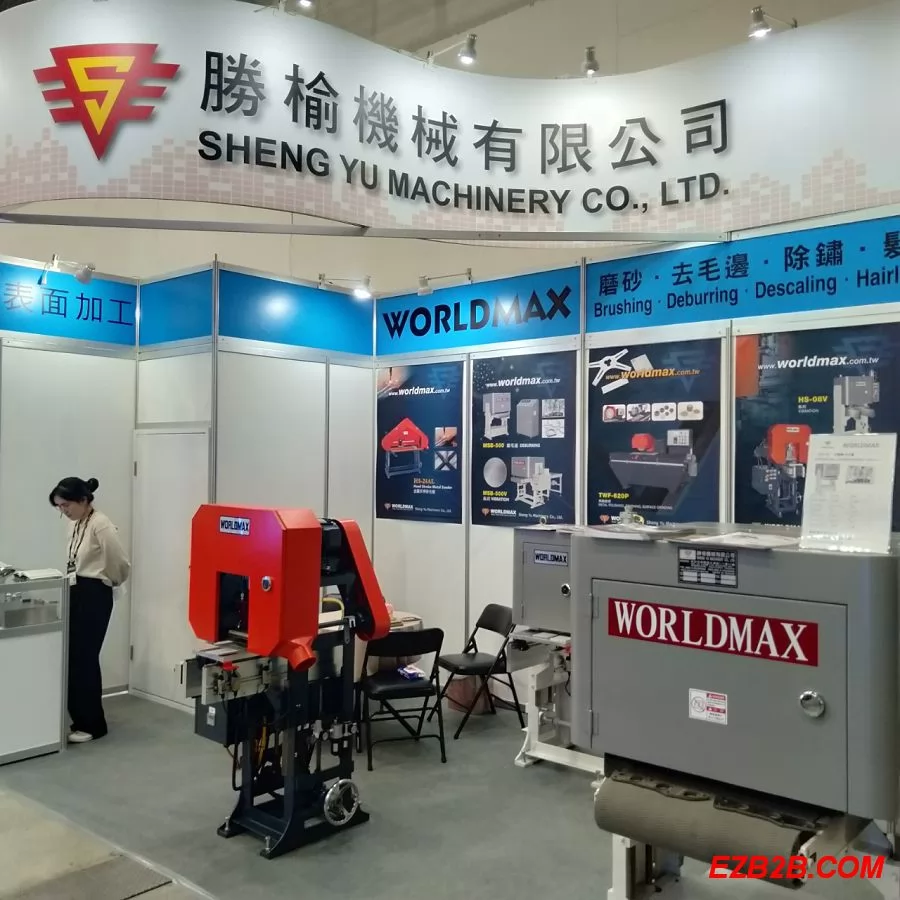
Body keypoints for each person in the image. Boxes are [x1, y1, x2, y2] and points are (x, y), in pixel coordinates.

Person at [48, 477, 130, 743]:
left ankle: (93, 724)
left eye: (66, 505)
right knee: (73, 656)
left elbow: (119, 562)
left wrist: (111, 581)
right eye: (59, 506)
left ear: (83, 500)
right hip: (75, 589)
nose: (64, 511)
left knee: (85, 657)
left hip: (94, 593)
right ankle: (79, 718)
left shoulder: (101, 524)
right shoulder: (76, 522)